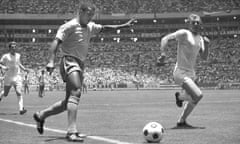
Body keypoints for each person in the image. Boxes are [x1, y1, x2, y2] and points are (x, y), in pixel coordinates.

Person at [33, 2, 135, 142]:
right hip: (68, 60)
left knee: (68, 101)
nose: (90, 17)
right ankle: (71, 132)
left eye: (92, 14)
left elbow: (105, 28)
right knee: (76, 91)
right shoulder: (69, 26)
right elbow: (56, 42)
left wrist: (123, 26)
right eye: (88, 14)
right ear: (80, 12)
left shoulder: (90, 26)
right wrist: (51, 61)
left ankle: (41, 115)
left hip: (80, 63)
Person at [158, 14, 210, 127]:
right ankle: (180, 97)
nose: (196, 24)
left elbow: (204, 57)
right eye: (193, 22)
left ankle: (182, 121)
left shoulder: (200, 39)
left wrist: (206, 45)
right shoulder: (184, 33)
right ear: (189, 24)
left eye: (198, 22)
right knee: (198, 95)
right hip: (181, 72)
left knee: (194, 99)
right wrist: (163, 53)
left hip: (191, 73)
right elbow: (165, 38)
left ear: (200, 24)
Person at [0, 41, 29, 115]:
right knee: (6, 94)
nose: (14, 48)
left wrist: (24, 69)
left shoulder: (18, 55)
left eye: (15, 47)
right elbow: (0, 63)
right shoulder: (5, 56)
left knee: (19, 92)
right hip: (8, 77)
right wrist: (3, 67)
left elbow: (19, 63)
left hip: (17, 76)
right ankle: (1, 96)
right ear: (9, 48)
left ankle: (21, 109)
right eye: (12, 47)